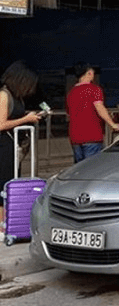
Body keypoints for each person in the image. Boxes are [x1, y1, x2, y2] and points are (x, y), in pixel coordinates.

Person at [0, 61, 42, 240]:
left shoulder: (17, 97)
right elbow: (1, 124)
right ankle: (2, 226)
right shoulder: (4, 95)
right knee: (3, 183)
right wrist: (25, 119)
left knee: (12, 181)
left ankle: (8, 223)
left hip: (14, 145)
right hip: (3, 145)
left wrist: (30, 116)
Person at [66, 62, 119, 164]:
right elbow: (99, 108)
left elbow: (69, 113)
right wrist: (113, 124)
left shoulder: (71, 92)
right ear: (88, 73)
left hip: (75, 137)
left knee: (79, 168)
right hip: (92, 135)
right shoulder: (94, 90)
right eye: (92, 72)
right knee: (92, 168)